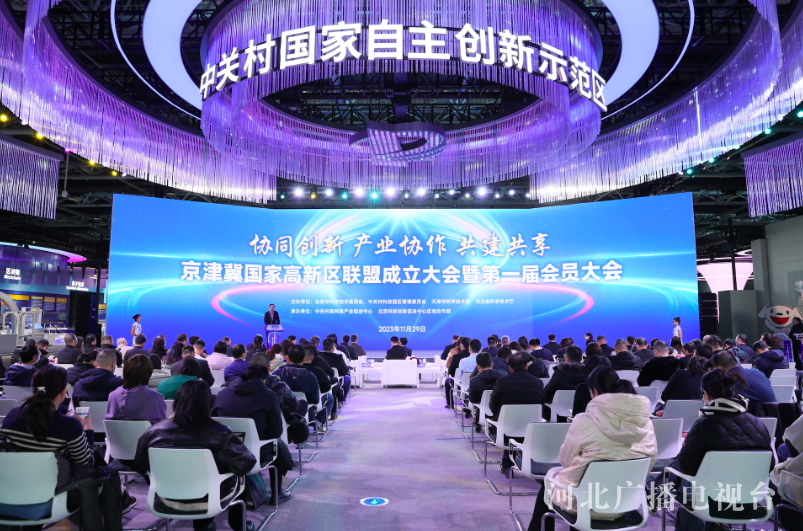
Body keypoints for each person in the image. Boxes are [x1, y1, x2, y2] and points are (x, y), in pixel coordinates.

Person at [1, 364, 134, 530]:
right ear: (64, 391)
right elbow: (86, 463)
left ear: (34, 388)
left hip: (11, 490)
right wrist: (88, 430)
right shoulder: (68, 425)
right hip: (54, 496)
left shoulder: (12, 416)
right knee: (104, 477)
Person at [528, 366, 657, 531]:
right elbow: (650, 461)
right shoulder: (646, 424)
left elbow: (565, 460)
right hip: (626, 501)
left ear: (594, 391)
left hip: (584, 503)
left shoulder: (583, 420)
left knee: (549, 485)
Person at [134, 379, 256, 531]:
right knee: (238, 477)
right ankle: (238, 525)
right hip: (210, 498)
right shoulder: (220, 432)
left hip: (167, 497)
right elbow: (246, 464)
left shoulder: (153, 432)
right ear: (207, 403)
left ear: (178, 401)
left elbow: (139, 465)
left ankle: (205, 525)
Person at [668, 369, 773, 531]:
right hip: (749, 497)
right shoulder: (758, 423)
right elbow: (769, 465)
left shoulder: (704, 425)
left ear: (705, 394)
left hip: (708, 500)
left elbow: (686, 468)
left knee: (684, 480)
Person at [211, 364, 293, 505]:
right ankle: (277, 493)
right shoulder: (269, 396)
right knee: (277, 444)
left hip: (224, 453)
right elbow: (275, 432)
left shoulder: (223, 393)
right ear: (265, 380)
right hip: (255, 453)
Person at [490, 352, 546, 475]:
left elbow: (493, 404)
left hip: (506, 428)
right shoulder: (538, 382)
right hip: (532, 427)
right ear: (526, 366)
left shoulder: (502, 381)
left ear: (510, 367)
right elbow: (541, 404)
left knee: (508, 421)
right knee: (521, 423)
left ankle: (507, 464)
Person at [106, 354, 167, 423]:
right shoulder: (156, 398)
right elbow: (162, 424)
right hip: (150, 430)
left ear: (125, 372)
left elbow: (110, 422)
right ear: (148, 374)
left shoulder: (113, 396)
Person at [273, 345, 324, 424]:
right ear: (304, 359)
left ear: (288, 357)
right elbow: (315, 400)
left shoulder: (277, 374)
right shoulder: (311, 376)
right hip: (303, 410)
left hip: (280, 413)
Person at [444, 337, 470, 408]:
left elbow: (451, 372)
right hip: (473, 384)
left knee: (447, 381)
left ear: (462, 345)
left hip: (458, 384)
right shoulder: (478, 358)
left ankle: (450, 404)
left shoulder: (456, 357)